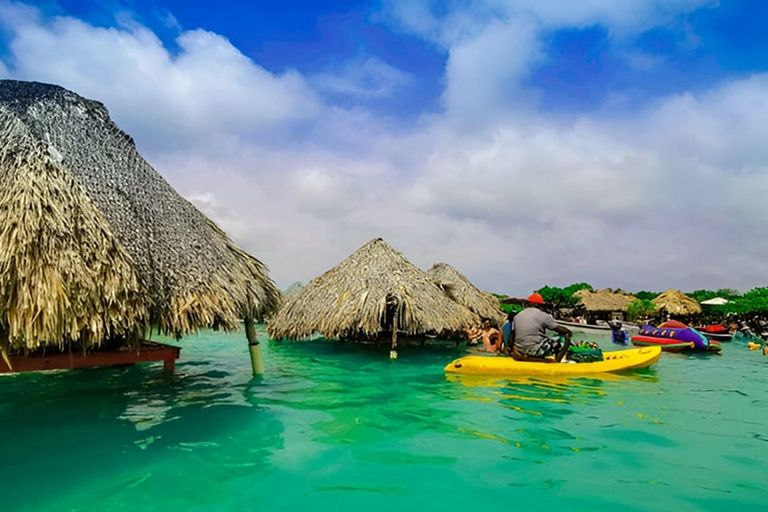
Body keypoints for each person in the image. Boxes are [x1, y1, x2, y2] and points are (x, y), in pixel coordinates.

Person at [510, 294, 573, 362]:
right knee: (564, 337)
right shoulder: (543, 315)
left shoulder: (518, 315)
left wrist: (512, 349)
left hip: (521, 350)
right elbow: (559, 329)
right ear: (539, 305)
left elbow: (512, 336)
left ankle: (526, 357)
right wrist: (568, 332)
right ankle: (557, 360)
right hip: (536, 350)